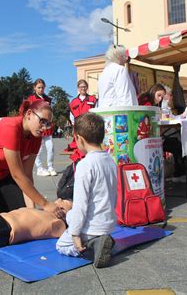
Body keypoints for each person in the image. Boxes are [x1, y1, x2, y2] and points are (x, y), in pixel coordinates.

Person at [55, 112, 118, 268]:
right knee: (69, 216)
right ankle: (102, 239)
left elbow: (81, 205)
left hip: (91, 227)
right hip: (108, 224)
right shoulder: (110, 160)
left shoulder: (85, 165)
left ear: (79, 139)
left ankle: (91, 244)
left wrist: (75, 233)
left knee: (61, 246)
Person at [27, 78, 57, 177]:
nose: (41, 89)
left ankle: (50, 166)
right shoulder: (31, 99)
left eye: (43, 87)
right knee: (38, 149)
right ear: (34, 88)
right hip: (37, 126)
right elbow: (29, 112)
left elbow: (50, 113)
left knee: (50, 147)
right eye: (39, 87)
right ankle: (39, 168)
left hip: (47, 127)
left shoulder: (48, 98)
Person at [65, 79, 97, 153]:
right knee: (79, 148)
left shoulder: (93, 99)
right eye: (81, 87)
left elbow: (96, 113)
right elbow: (71, 115)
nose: (83, 88)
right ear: (78, 88)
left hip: (90, 127)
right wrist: (74, 125)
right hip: (78, 128)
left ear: (87, 87)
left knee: (90, 146)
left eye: (84, 86)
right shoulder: (73, 102)